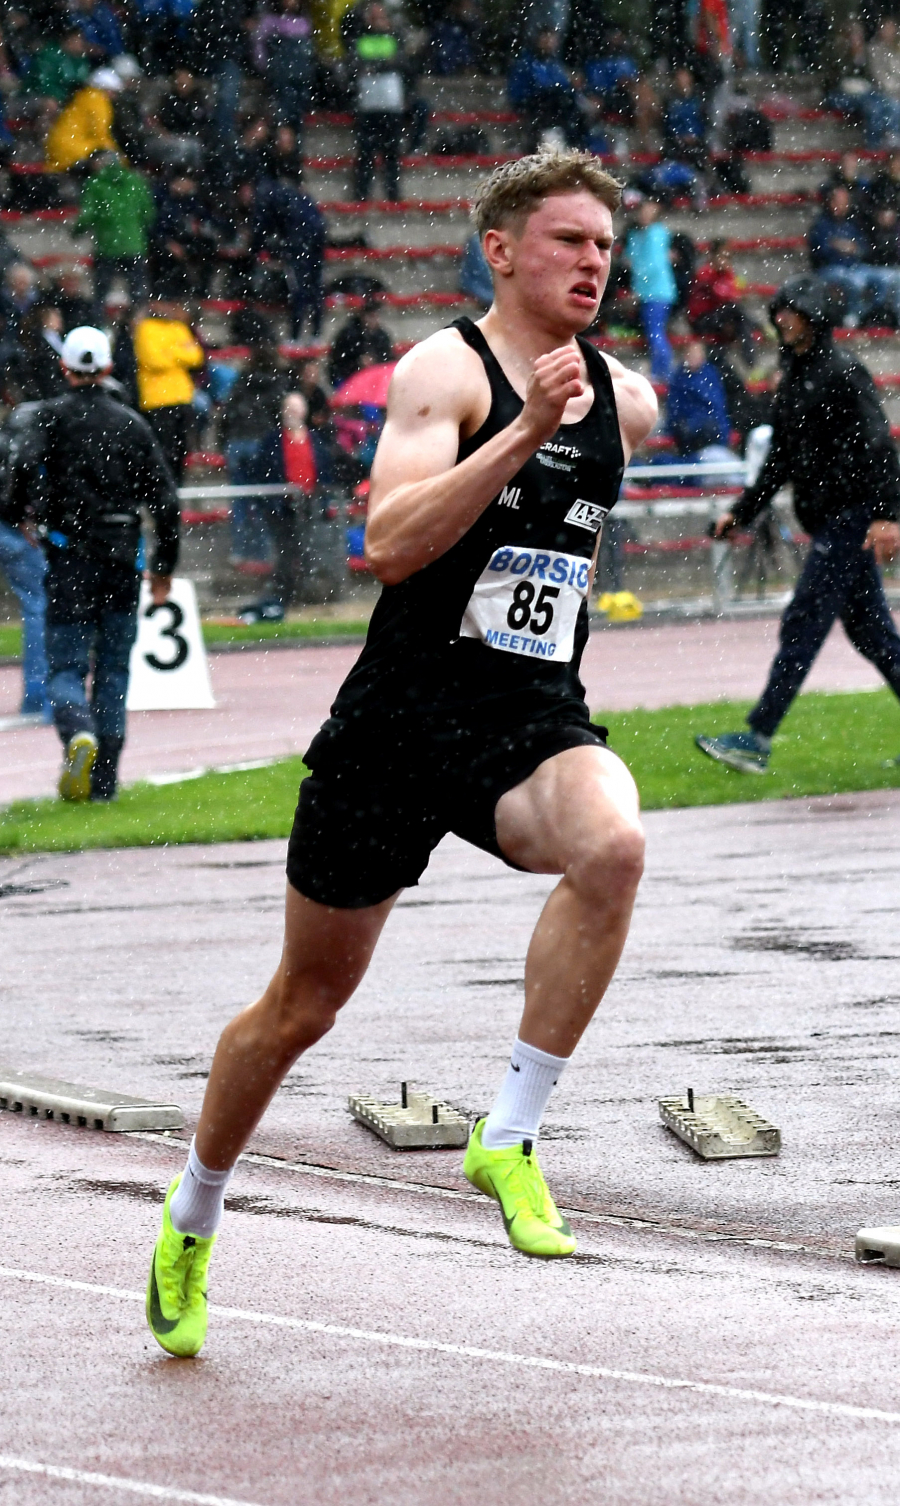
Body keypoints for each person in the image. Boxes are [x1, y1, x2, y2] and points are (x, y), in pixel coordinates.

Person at [145, 149, 656, 1358]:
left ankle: (511, 1134)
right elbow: (388, 541)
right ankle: (193, 1213)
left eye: (603, 247)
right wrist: (525, 430)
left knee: (615, 844)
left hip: (527, 721)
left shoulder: (627, 402)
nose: (592, 264)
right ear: (501, 248)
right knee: (301, 1007)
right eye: (567, 243)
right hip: (395, 724)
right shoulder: (446, 370)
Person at [696, 275, 900, 775]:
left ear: (814, 317)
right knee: (875, 637)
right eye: (780, 310)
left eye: (792, 310)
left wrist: (888, 517)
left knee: (804, 622)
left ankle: (756, 738)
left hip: (848, 521)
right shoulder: (797, 376)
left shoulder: (842, 372)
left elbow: (882, 447)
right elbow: (780, 461)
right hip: (834, 522)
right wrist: (740, 514)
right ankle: (756, 739)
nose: (781, 318)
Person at [0, 326, 179, 801]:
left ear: (65, 368)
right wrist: (163, 568)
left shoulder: (48, 419)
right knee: (115, 669)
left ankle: (77, 729)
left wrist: (18, 514)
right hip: (121, 557)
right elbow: (165, 503)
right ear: (106, 367)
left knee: (66, 665)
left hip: (68, 557)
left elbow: (19, 467)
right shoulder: (131, 424)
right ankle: (105, 782)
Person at [133, 293, 204, 480]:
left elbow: (196, 357)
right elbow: (153, 360)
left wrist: (167, 352)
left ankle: (175, 491)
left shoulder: (179, 327)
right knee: (163, 453)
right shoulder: (146, 328)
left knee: (180, 452)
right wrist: (179, 353)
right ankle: (162, 492)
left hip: (182, 397)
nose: (168, 308)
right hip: (157, 400)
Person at [73, 150, 155, 309]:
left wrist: (76, 231)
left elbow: (88, 215)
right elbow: (148, 213)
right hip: (134, 245)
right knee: (137, 292)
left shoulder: (95, 183)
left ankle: (99, 325)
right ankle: (137, 324)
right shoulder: (136, 180)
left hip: (107, 246)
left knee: (101, 292)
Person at [350, 2, 409, 203]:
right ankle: (362, 194)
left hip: (391, 104)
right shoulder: (361, 39)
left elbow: (402, 63)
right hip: (368, 104)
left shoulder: (395, 38)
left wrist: (374, 65)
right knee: (366, 154)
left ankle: (392, 193)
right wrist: (384, 63)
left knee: (391, 154)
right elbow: (355, 65)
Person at [624, 196, 676, 383]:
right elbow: (630, 259)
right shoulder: (638, 235)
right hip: (649, 292)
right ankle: (661, 371)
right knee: (653, 331)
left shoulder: (656, 234)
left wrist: (637, 287)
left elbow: (652, 265)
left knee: (655, 331)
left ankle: (662, 372)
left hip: (657, 291)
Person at [44, 65, 122, 174]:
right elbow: (99, 133)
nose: (115, 97)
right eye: (114, 92)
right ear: (106, 89)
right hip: (73, 149)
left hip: (58, 147)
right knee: (110, 160)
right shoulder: (98, 101)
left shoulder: (84, 96)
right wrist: (121, 157)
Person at [666, 338, 731, 453]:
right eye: (691, 354)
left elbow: (716, 405)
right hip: (687, 426)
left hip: (709, 426)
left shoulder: (710, 374)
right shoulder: (679, 377)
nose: (693, 357)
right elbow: (675, 406)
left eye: (697, 354)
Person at [327, 295, 395, 387]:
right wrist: (358, 363)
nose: (374, 320)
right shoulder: (348, 334)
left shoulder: (382, 336)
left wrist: (375, 362)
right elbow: (338, 360)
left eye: (376, 316)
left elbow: (388, 359)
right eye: (371, 316)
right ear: (363, 316)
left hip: (373, 378)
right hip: (349, 377)